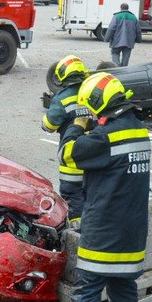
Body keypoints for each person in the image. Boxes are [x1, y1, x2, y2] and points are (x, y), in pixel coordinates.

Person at [57, 72, 150, 302]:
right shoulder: (138, 129)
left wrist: (77, 125)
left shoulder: (104, 138)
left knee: (86, 293)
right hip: (133, 232)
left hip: (104, 232)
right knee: (123, 287)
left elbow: (68, 153)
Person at [41, 55, 92, 224]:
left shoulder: (62, 98)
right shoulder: (92, 92)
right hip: (94, 154)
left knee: (72, 196)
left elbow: (48, 126)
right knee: (91, 195)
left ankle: (76, 232)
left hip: (72, 157)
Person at [104, 3, 143, 67]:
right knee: (126, 57)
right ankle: (123, 69)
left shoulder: (117, 16)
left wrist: (106, 39)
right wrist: (139, 40)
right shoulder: (133, 17)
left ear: (121, 8)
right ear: (128, 8)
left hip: (116, 41)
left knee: (115, 53)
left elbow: (111, 28)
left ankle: (117, 67)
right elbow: (138, 31)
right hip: (129, 42)